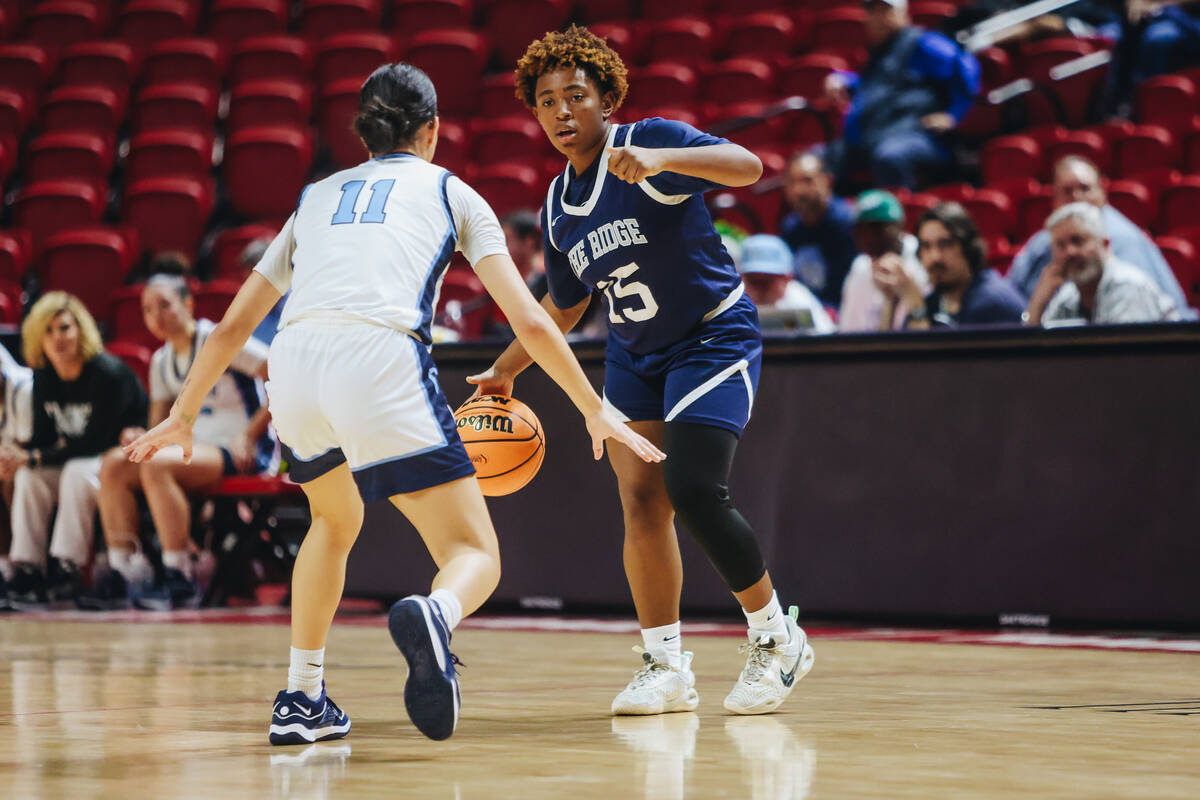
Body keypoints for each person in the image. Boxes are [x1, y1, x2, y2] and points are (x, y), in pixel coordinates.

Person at [123, 62, 663, 746]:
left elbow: (231, 326)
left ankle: (301, 697)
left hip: (293, 363)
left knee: (332, 519)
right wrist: (593, 407)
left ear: (364, 132)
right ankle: (437, 614)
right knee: (474, 551)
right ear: (433, 129)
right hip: (376, 357)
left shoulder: (316, 196)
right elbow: (530, 319)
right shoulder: (452, 191)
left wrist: (181, 411)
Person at [471, 25, 816, 718]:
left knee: (692, 486)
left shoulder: (647, 139)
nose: (562, 111)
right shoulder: (555, 206)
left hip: (711, 336)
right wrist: (506, 369)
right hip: (634, 354)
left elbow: (747, 166)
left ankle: (778, 639)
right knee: (641, 502)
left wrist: (657, 159)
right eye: (546, 101)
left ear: (607, 99)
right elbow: (564, 306)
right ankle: (665, 664)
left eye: (576, 95)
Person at [84, 274, 276, 610]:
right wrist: (140, 437)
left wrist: (249, 434)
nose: (156, 315)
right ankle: (125, 572)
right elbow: (159, 423)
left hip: (243, 449)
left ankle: (180, 574)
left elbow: (284, 375)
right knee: (116, 462)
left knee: (158, 466)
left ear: (188, 304)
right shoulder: (160, 360)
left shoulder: (221, 338)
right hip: (193, 449)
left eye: (164, 305)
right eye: (146, 309)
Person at [2, 293, 148, 608]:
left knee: (73, 472)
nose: (58, 338)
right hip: (76, 459)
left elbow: (98, 440)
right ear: (36, 336)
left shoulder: (108, 374)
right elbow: (43, 439)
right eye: (49, 330)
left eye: (65, 328)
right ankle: (28, 568)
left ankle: (68, 566)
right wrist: (19, 455)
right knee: (29, 476)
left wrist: (36, 455)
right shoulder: (43, 377)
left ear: (81, 330)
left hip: (116, 460)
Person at [824, 0, 980, 190]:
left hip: (919, 136)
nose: (879, 19)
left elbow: (965, 66)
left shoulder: (923, 43)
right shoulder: (880, 51)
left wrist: (953, 115)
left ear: (903, 13)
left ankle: (894, 217)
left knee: (889, 155)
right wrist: (844, 80)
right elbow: (875, 88)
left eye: (886, 11)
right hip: (875, 136)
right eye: (873, 12)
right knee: (817, 159)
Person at [1007, 156, 1189, 313]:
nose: (1077, 197)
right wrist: (1036, 306)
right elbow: (1012, 301)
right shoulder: (1042, 241)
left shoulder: (1124, 241)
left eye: (1085, 188)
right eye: (1067, 191)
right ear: (1054, 200)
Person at [1024, 202, 1181, 325]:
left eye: (1078, 241)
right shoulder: (1068, 296)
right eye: (1061, 245)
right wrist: (1038, 303)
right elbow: (1033, 355)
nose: (1070, 252)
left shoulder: (1126, 285)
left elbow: (1122, 361)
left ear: (1105, 244)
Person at [875, 202, 1025, 328]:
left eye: (945, 244)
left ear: (968, 248)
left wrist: (915, 305)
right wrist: (891, 301)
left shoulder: (991, 301)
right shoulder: (936, 300)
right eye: (926, 246)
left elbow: (932, 359)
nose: (935, 256)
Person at [838, 190, 929, 331]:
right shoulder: (860, 266)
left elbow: (925, 330)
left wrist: (909, 292)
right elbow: (847, 331)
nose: (869, 237)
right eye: (862, 229)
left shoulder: (922, 258)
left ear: (900, 225)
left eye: (877, 228)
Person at [777, 151, 859, 308]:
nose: (798, 190)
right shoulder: (790, 226)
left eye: (807, 181)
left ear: (827, 181)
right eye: (792, 182)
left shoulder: (849, 224)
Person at [736, 234, 836, 333]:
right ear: (741, 278)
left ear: (788, 278)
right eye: (754, 281)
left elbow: (826, 339)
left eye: (767, 281)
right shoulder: (732, 301)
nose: (760, 289)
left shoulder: (799, 300)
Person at [0, 342, 33, 598]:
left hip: (36, 459)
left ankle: (18, 564)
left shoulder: (22, 388)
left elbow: (22, 450)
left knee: (11, 474)